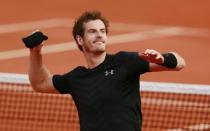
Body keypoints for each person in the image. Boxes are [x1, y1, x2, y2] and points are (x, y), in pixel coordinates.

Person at [28, 11, 186, 131]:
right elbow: (40, 83)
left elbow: (179, 62)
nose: (99, 35)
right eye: (92, 31)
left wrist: (163, 59)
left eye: (102, 31)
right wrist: (35, 52)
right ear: (79, 40)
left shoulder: (124, 62)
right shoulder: (76, 78)